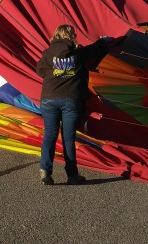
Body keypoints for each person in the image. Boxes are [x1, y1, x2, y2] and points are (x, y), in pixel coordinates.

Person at [36, 24, 115, 185]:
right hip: (71, 99)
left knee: (50, 135)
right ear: (72, 35)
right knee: (68, 138)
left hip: (49, 99)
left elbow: (40, 72)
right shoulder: (79, 52)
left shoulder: (48, 52)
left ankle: (45, 171)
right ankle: (72, 175)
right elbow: (96, 49)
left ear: (56, 35)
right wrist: (106, 39)